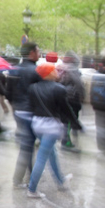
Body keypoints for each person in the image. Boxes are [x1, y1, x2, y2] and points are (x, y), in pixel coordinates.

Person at [26, 64, 75, 198]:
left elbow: (30, 106)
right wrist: (77, 124)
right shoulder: (59, 88)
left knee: (51, 152)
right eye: (53, 70)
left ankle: (61, 181)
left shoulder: (32, 88)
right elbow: (66, 109)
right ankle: (32, 189)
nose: (56, 71)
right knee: (42, 157)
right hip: (50, 127)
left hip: (37, 124)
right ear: (48, 74)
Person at [6, 42, 42, 188]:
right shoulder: (36, 71)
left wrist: (15, 105)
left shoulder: (14, 70)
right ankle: (18, 179)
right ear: (31, 53)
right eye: (38, 51)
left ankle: (30, 174)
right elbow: (41, 94)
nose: (39, 54)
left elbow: (8, 92)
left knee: (27, 144)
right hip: (30, 112)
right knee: (27, 146)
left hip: (18, 111)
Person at [57, 51, 85, 152]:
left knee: (64, 119)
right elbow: (78, 84)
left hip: (61, 95)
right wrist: (82, 96)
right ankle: (66, 141)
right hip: (72, 97)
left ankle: (66, 136)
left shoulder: (59, 68)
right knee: (68, 119)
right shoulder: (72, 69)